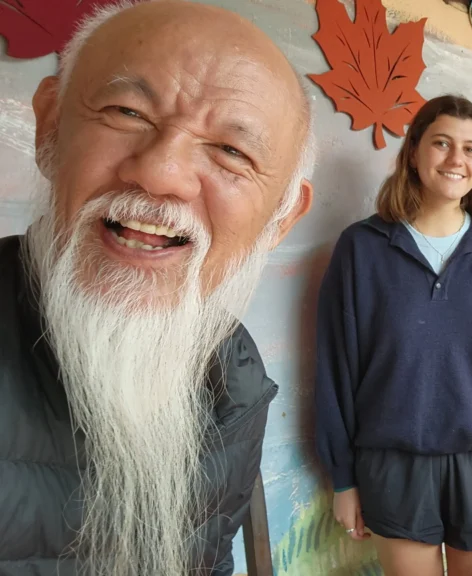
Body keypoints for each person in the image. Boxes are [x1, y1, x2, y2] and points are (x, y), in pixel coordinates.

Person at [0, 2, 316, 575]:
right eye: (127, 112)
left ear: (282, 218)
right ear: (50, 128)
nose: (161, 172)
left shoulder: (235, 377)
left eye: (232, 151)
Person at [314, 95, 472, 576]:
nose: (456, 159)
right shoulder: (362, 248)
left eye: (470, 149)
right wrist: (344, 480)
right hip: (394, 463)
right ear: (413, 152)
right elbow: (336, 368)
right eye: (441, 143)